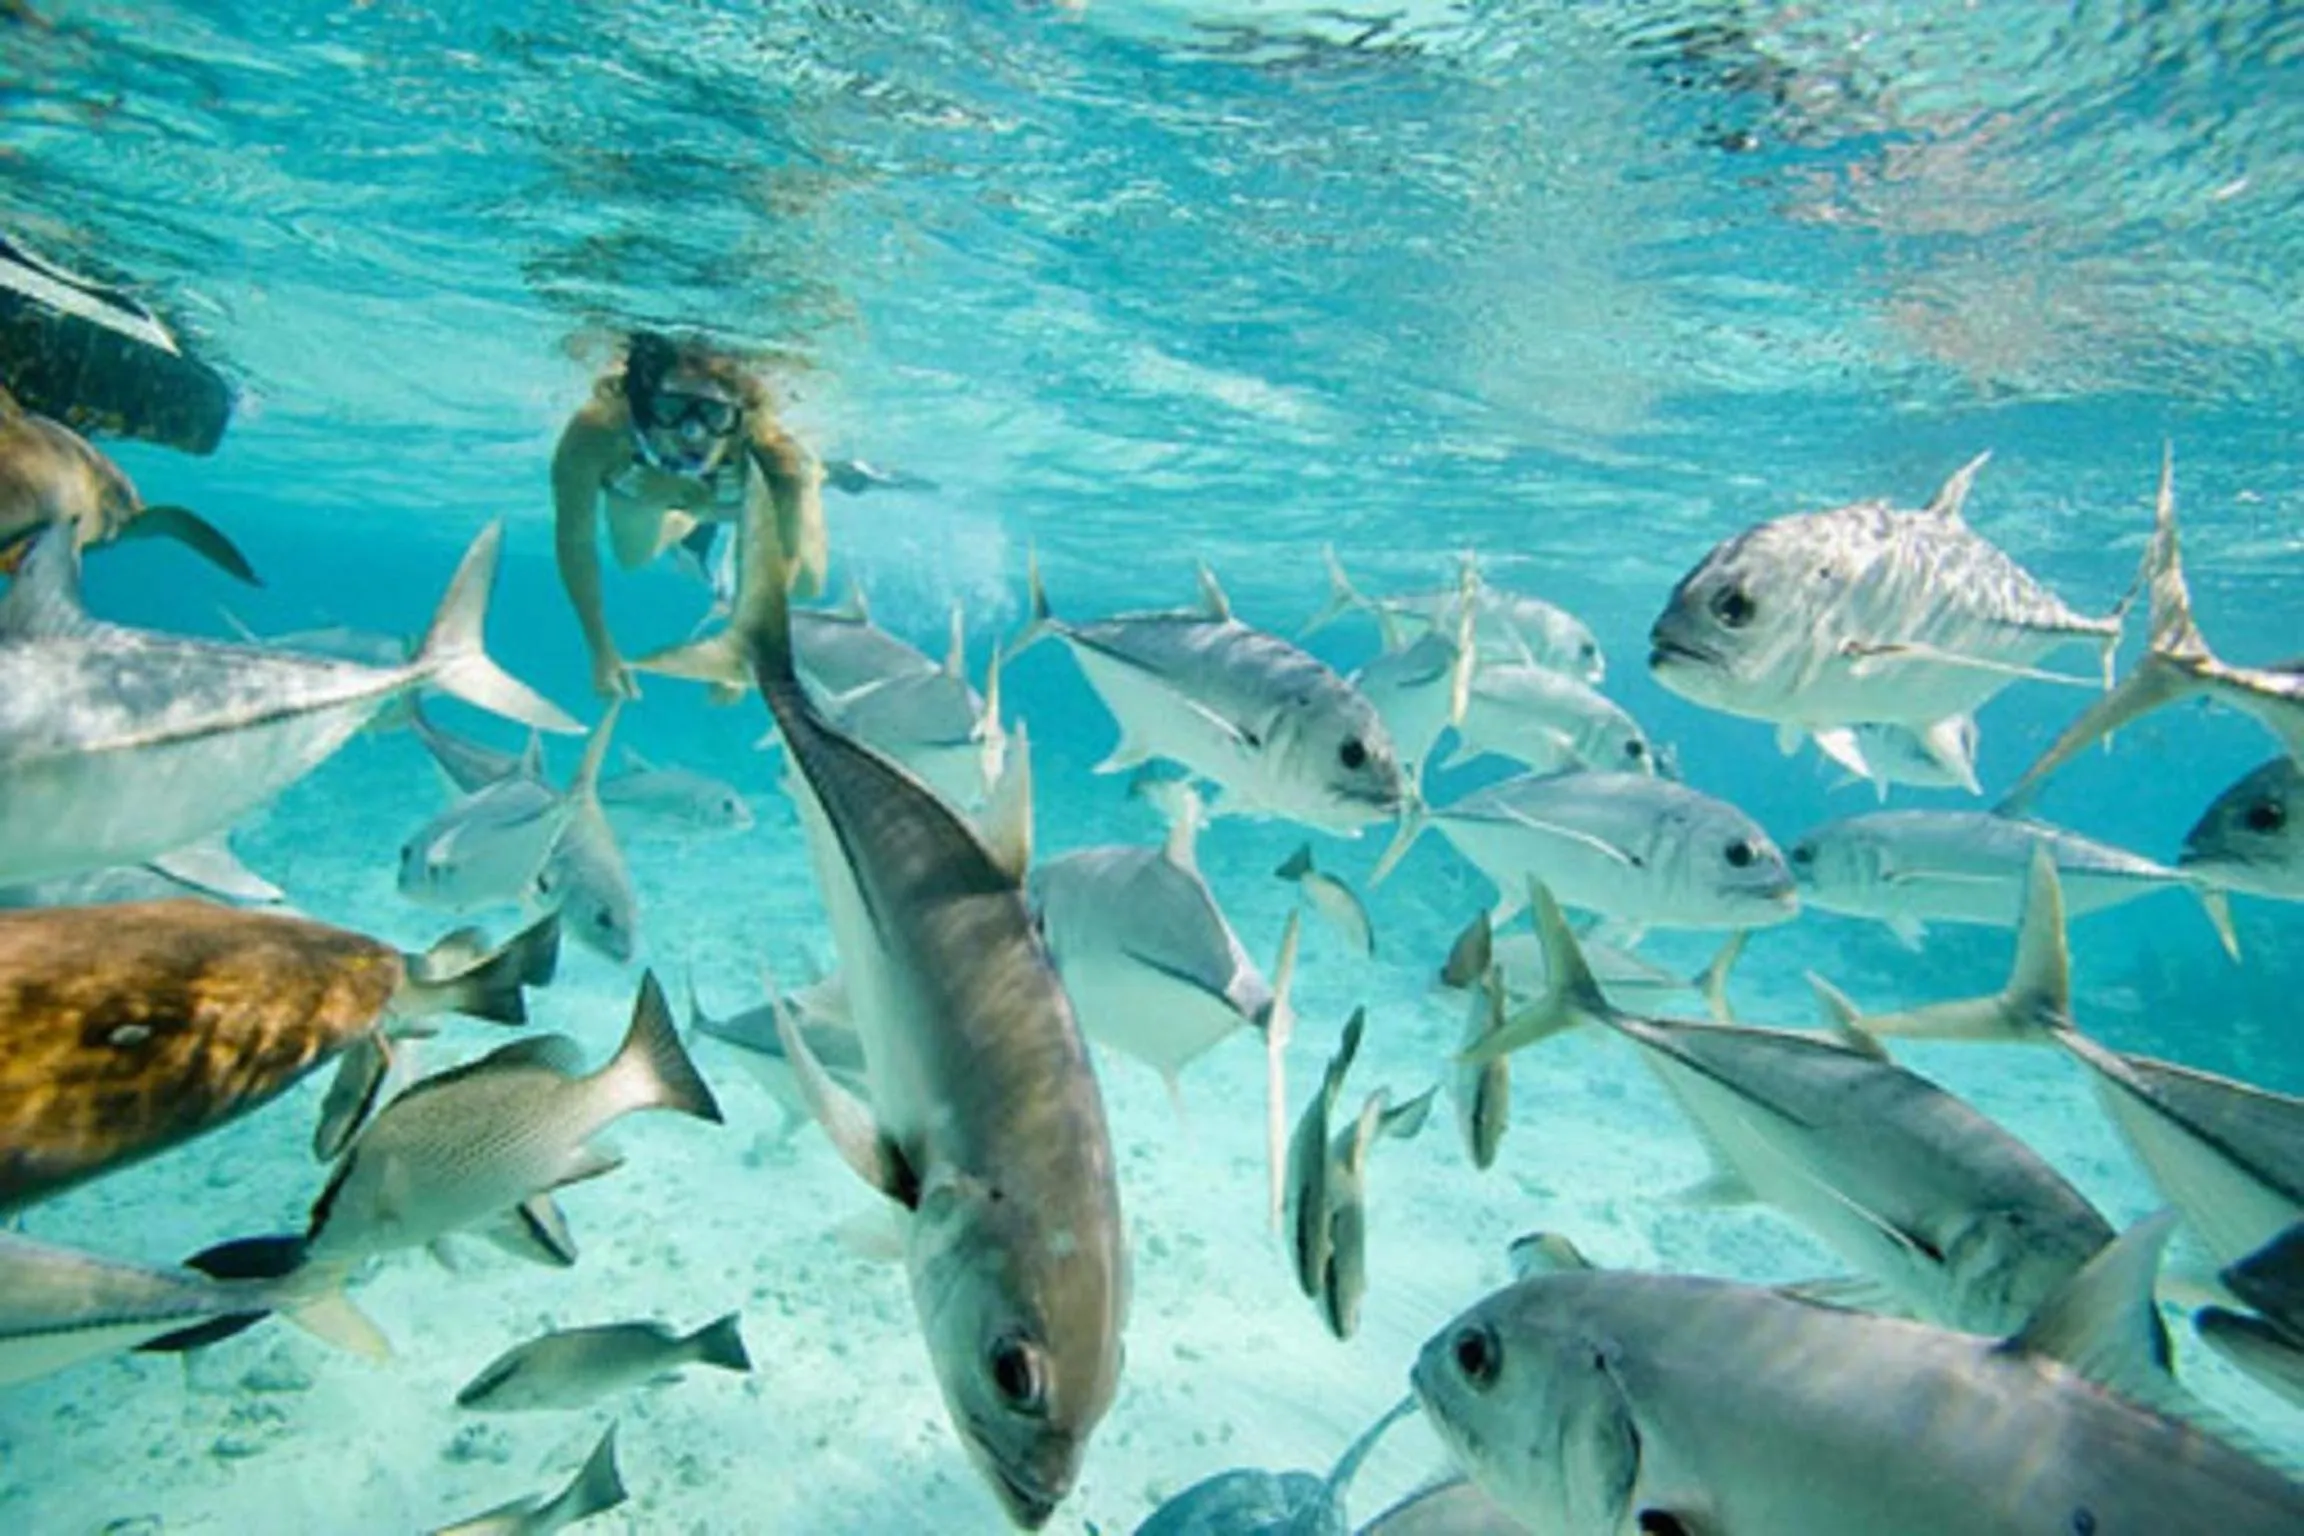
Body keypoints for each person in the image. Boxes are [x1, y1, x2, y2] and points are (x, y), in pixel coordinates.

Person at [552, 331, 828, 700]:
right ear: (646, 405)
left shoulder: (772, 455)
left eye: (713, 413)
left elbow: (783, 558)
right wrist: (600, 648)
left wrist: (742, 648)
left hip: (740, 497)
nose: (692, 431)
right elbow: (575, 542)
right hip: (651, 485)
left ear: (738, 417)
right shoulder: (595, 435)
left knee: (808, 584)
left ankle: (815, 480)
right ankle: (688, 516)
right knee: (631, 558)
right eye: (672, 408)